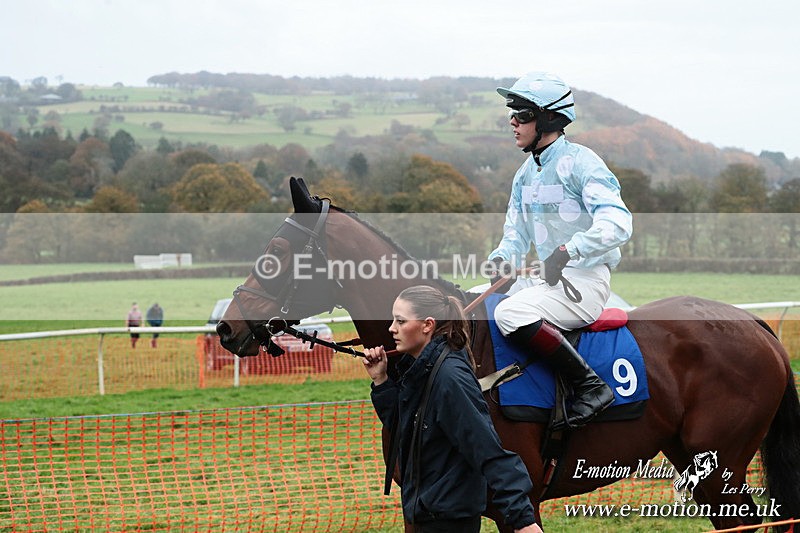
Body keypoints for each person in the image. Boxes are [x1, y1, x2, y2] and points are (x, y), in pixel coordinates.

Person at [489, 71, 634, 429]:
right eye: (512, 113)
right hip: (545, 282)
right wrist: (501, 262)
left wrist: (568, 251)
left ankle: (591, 387)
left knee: (510, 315)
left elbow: (618, 223)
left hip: (585, 282)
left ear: (548, 119)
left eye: (522, 114)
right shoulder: (524, 175)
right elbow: (515, 236)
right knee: (476, 303)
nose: (513, 121)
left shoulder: (583, 163)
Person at [363, 285, 541, 533]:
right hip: (427, 514)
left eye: (401, 321)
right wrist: (381, 381)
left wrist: (523, 521)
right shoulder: (419, 370)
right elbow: (406, 428)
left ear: (427, 325)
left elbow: (486, 448)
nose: (391, 328)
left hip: (448, 521)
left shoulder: (449, 378)